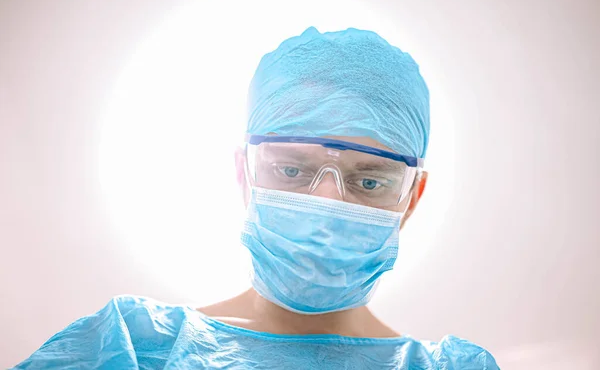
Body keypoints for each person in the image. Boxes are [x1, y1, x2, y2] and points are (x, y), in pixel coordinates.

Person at [14, 27, 499, 369]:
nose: (328, 204)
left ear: (411, 198)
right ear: (244, 176)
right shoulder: (136, 347)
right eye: (292, 169)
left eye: (368, 181)